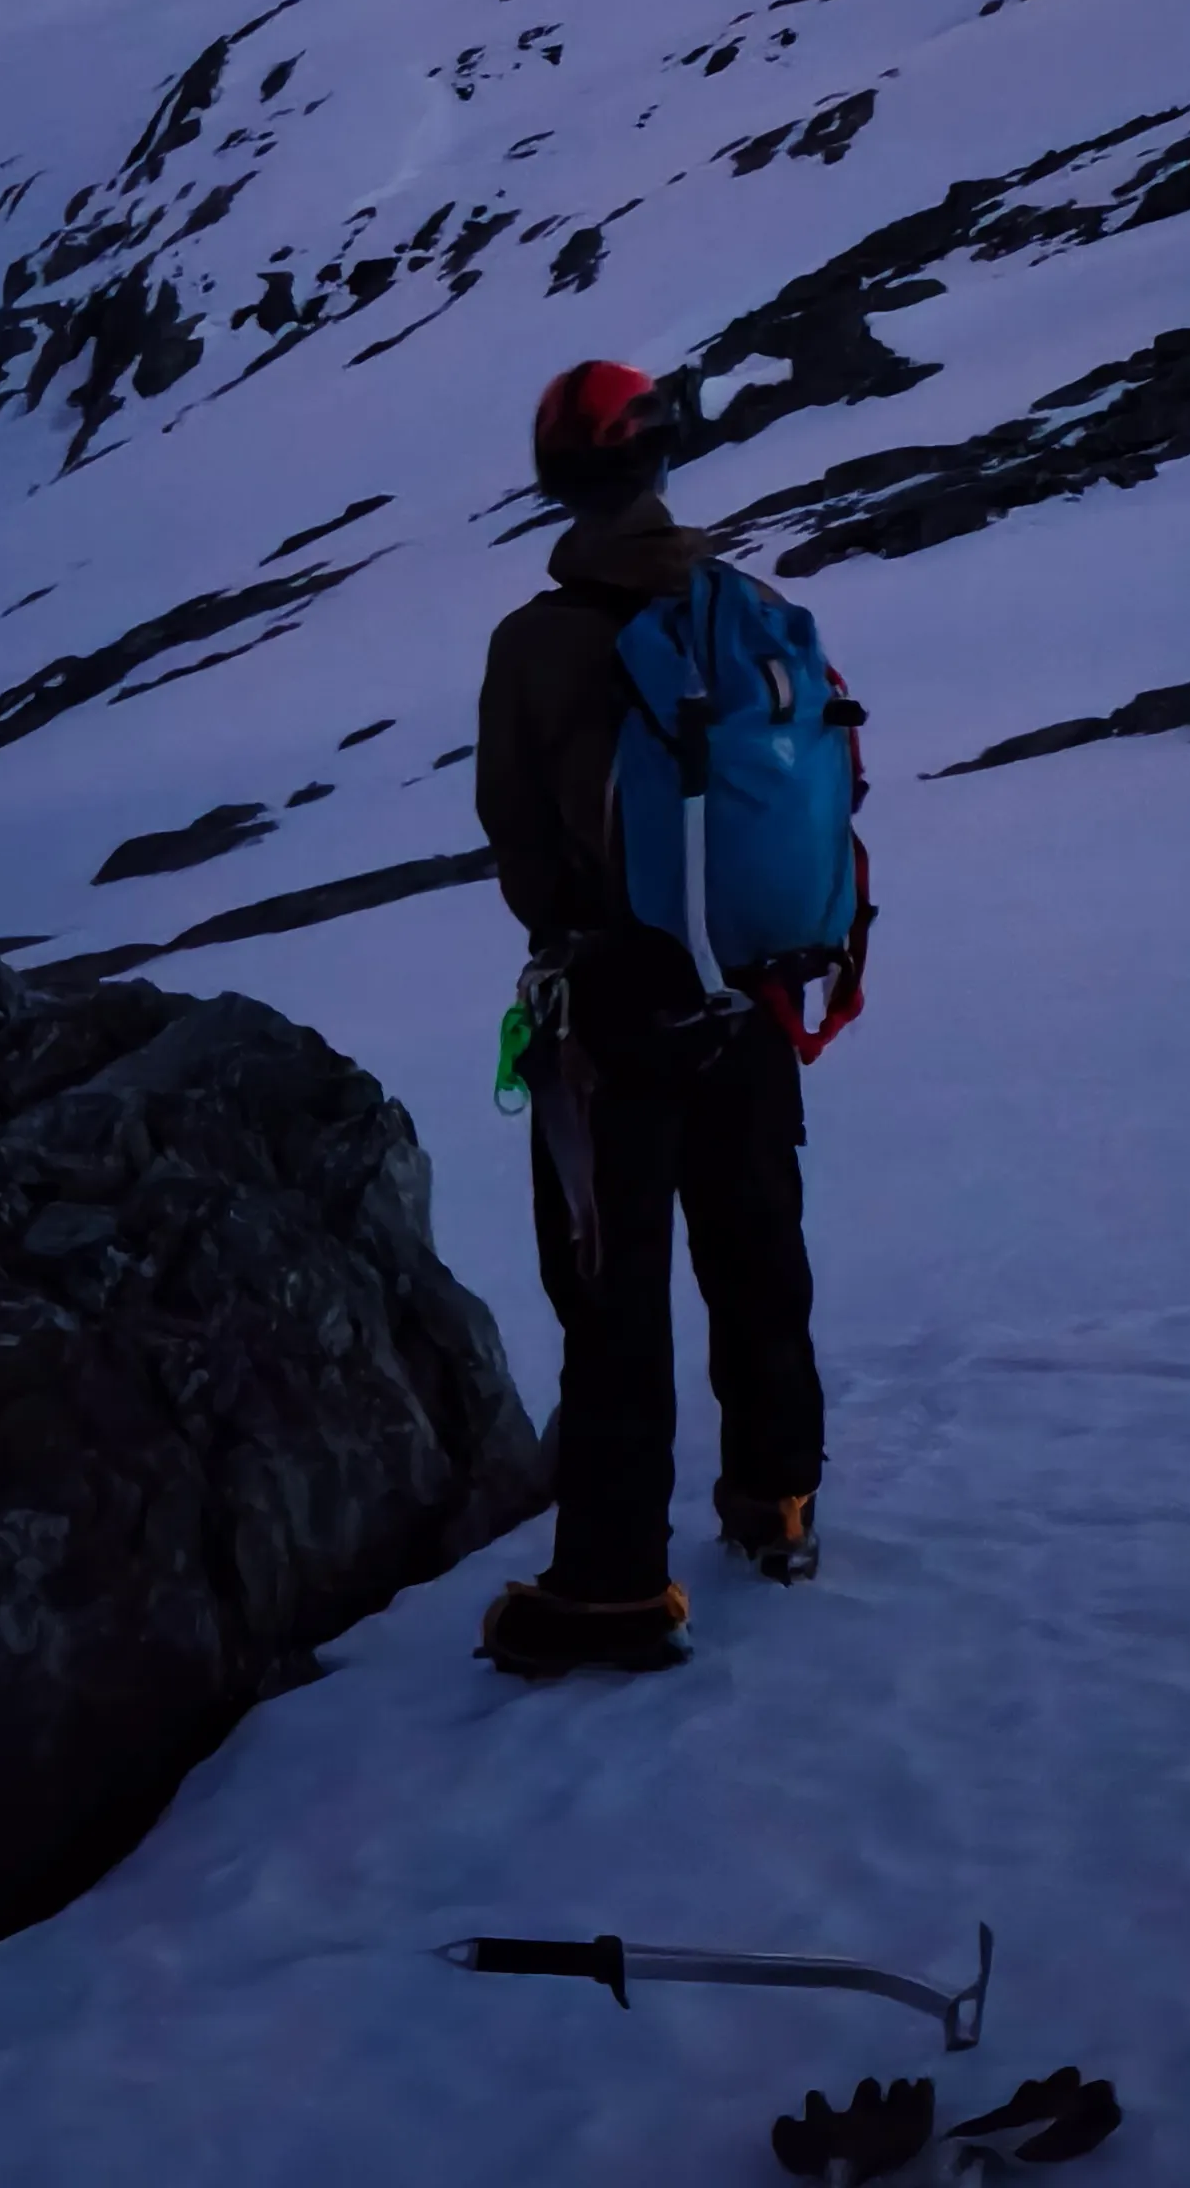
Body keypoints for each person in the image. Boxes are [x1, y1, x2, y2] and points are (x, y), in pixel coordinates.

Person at [474, 358, 828, 1675]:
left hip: (613, 1009)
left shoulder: (537, 642)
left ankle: (616, 1586)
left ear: (557, 479)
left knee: (613, 1292)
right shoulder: (750, 609)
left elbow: (517, 838)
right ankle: (778, 1504)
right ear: (667, 458)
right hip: (752, 991)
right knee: (756, 1252)